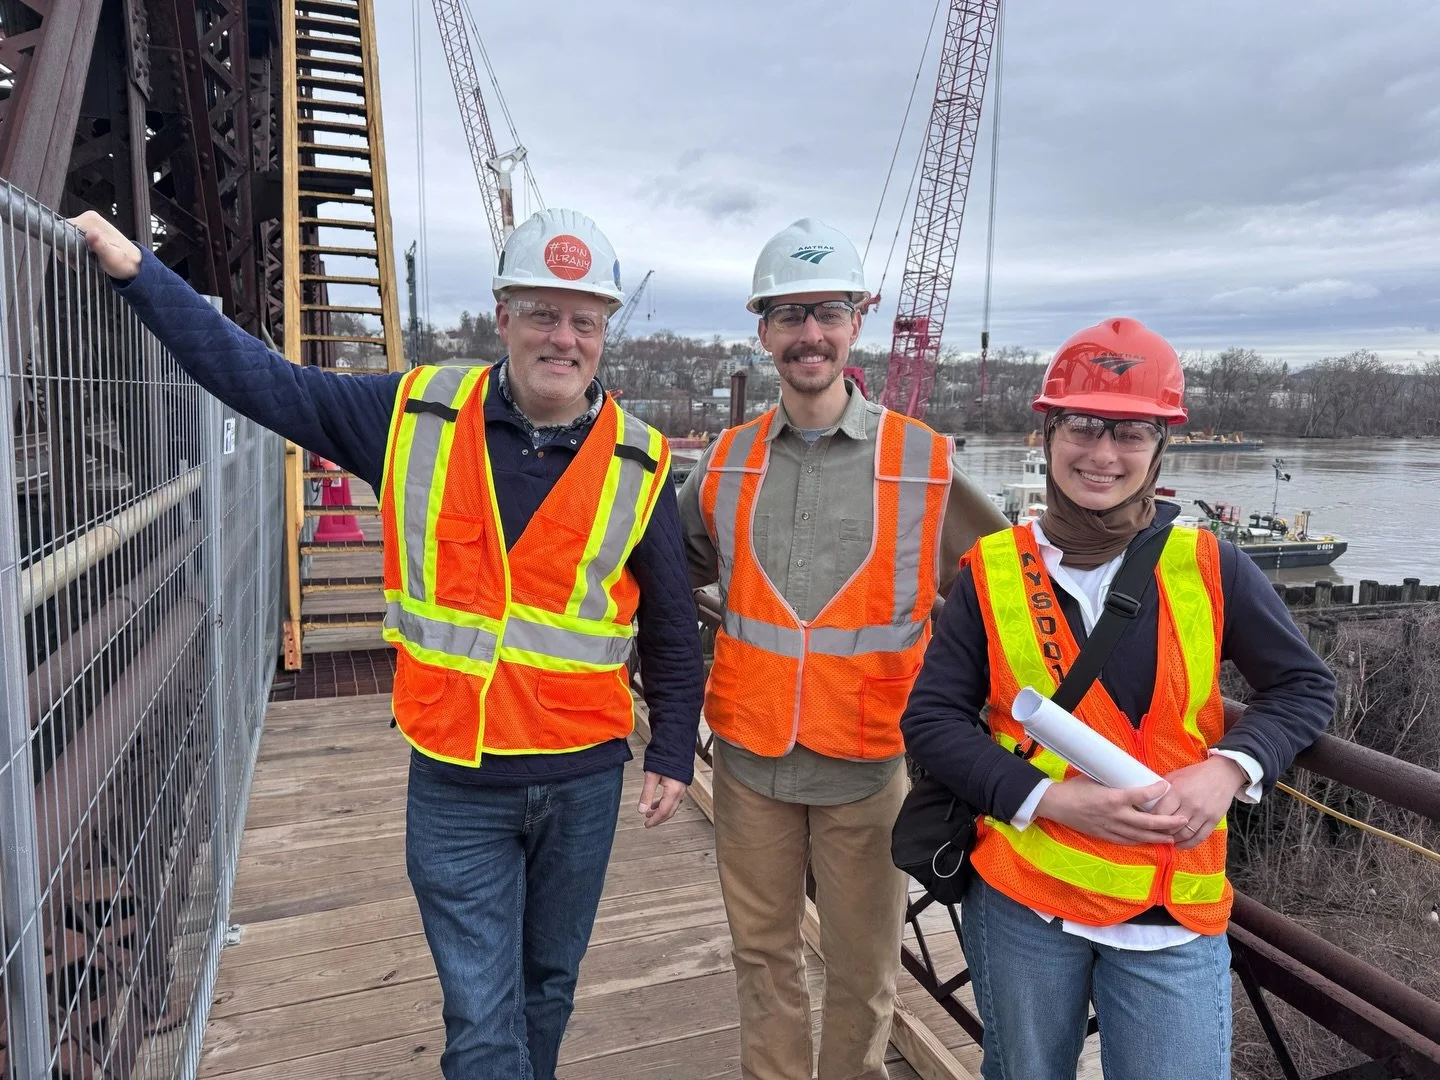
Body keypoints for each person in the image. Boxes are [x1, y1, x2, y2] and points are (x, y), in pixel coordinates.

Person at [72, 207, 704, 1080]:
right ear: (502, 316)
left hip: (582, 779)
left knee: (546, 989)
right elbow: (262, 380)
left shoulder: (642, 461)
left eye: (583, 321)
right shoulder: (414, 415)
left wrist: (673, 746)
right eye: (542, 314)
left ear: (603, 334)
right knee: (483, 1023)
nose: (563, 338)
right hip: (457, 781)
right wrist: (140, 272)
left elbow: (673, 622)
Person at [900, 317, 1336, 1079]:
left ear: (1160, 447)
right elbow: (932, 721)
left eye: (1130, 432)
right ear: (1048, 432)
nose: (1102, 454)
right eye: (1084, 425)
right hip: (1023, 903)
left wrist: (1230, 769)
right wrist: (1050, 801)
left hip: (1171, 917)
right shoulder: (990, 571)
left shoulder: (1211, 565)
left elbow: (1303, 685)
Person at [678, 218, 1007, 1080]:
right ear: (763, 331)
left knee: (864, 977)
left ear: (858, 319)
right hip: (748, 765)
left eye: (826, 312)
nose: (808, 334)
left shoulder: (923, 463)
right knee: (762, 960)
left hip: (868, 769)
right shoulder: (725, 463)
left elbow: (1003, 600)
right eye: (788, 316)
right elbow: (662, 571)